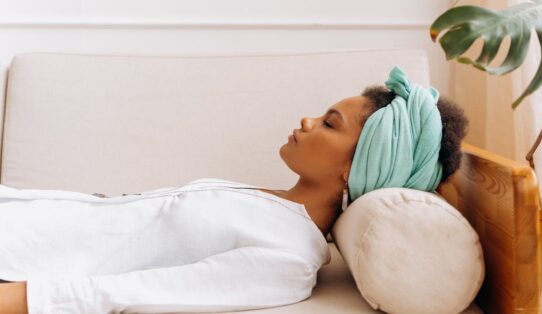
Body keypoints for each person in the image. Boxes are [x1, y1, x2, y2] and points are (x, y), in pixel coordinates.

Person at [0, 66, 467, 314]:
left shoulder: (288, 259)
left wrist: (24, 300)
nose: (306, 121)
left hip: (18, 262)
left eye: (329, 123)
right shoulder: (271, 203)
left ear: (356, 165)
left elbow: (139, 291)